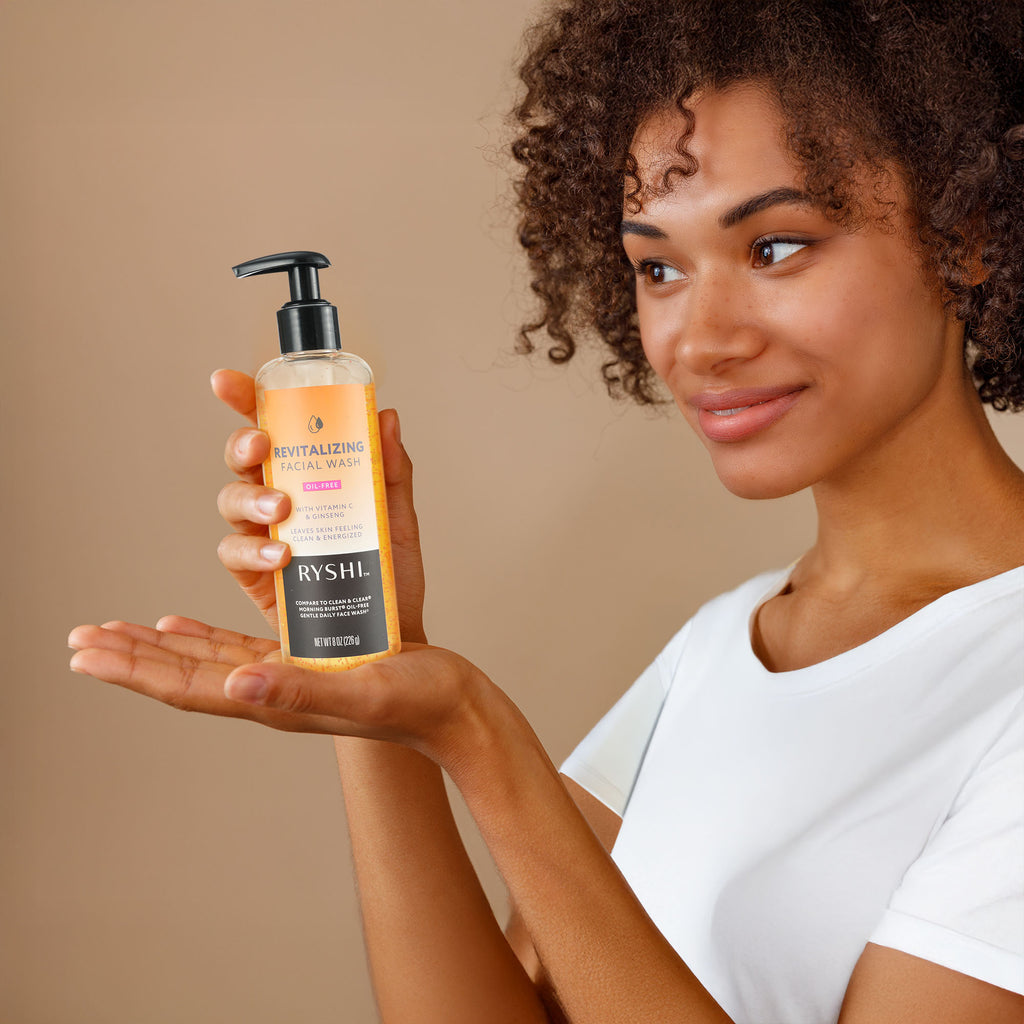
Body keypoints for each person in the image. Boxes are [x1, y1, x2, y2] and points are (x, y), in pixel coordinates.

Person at [68, 1, 1024, 1021]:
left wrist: (478, 737)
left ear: (964, 237)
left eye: (776, 246)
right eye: (658, 267)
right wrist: (364, 671)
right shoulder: (721, 647)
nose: (700, 340)